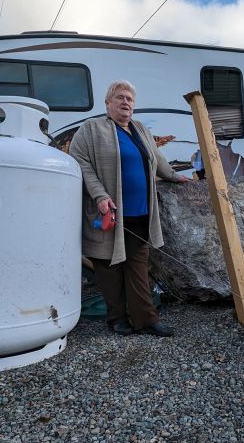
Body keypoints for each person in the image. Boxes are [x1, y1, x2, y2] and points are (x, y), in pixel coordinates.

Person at [70, 80, 188, 337]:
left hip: (140, 212)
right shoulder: (91, 129)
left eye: (130, 99)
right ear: (108, 102)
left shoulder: (140, 129)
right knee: (108, 268)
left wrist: (173, 176)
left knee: (138, 266)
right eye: (120, 97)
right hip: (108, 212)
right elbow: (80, 162)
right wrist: (100, 195)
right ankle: (116, 318)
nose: (126, 102)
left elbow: (157, 159)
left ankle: (145, 320)